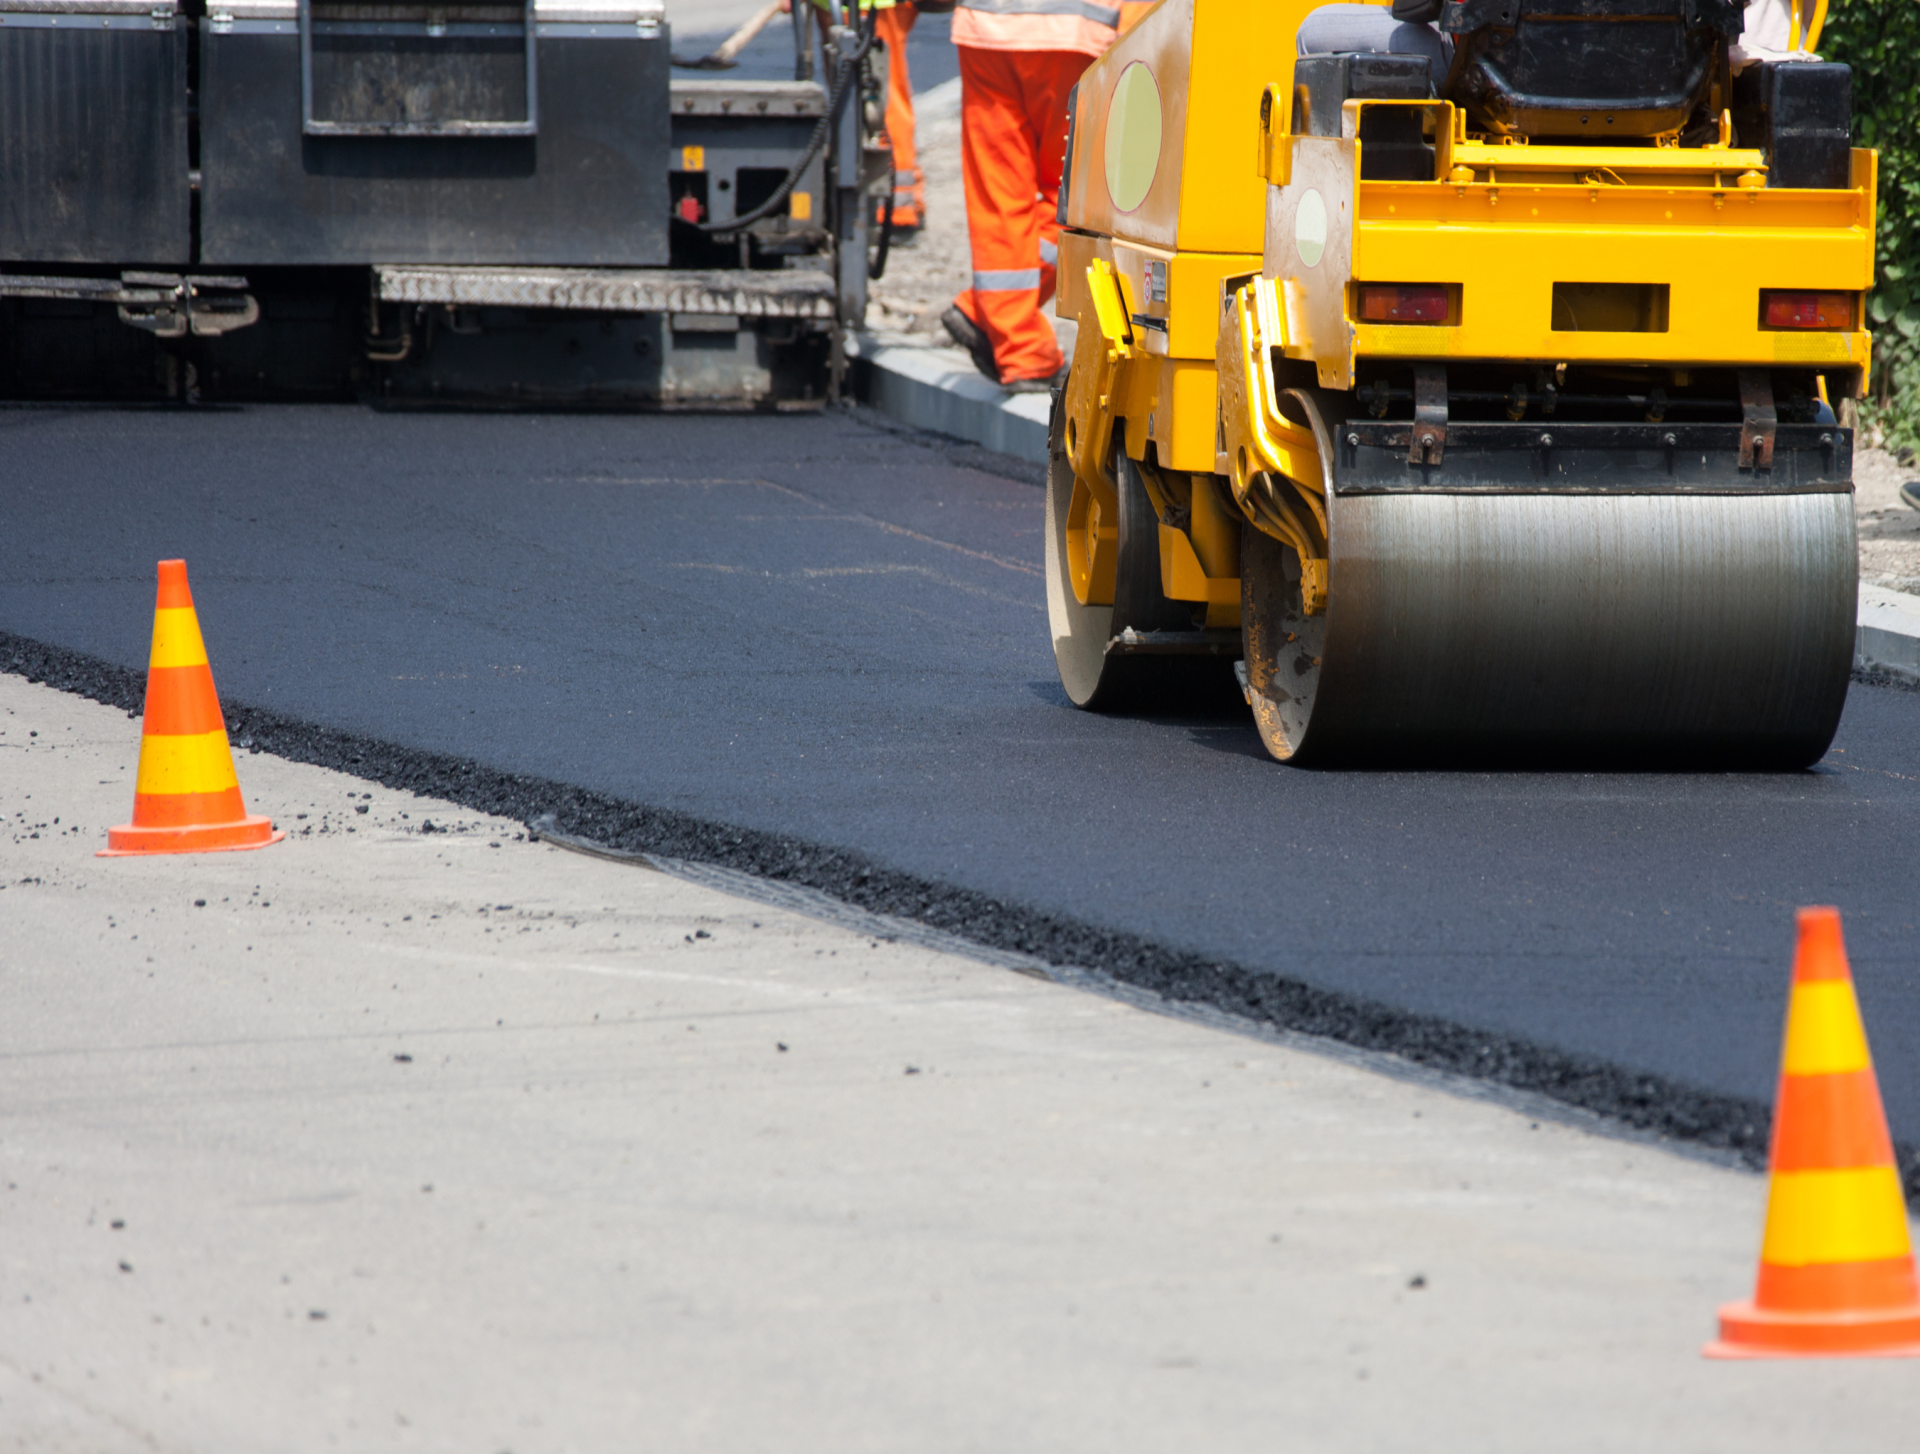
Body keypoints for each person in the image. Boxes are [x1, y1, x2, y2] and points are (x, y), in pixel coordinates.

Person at [941, 0, 1148, 391]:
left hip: (985, 27)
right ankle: (1002, 329)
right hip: (1077, 32)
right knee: (1085, 195)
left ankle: (1015, 344)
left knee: (999, 197)